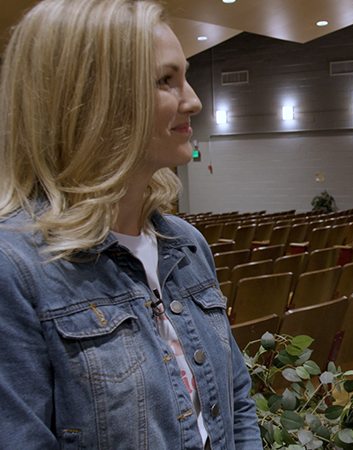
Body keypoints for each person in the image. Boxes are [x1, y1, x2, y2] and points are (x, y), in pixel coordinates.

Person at [0, 0, 261, 448]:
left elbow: (236, 403)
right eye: (166, 80)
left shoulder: (187, 244)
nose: (194, 100)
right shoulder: (16, 271)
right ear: (91, 101)